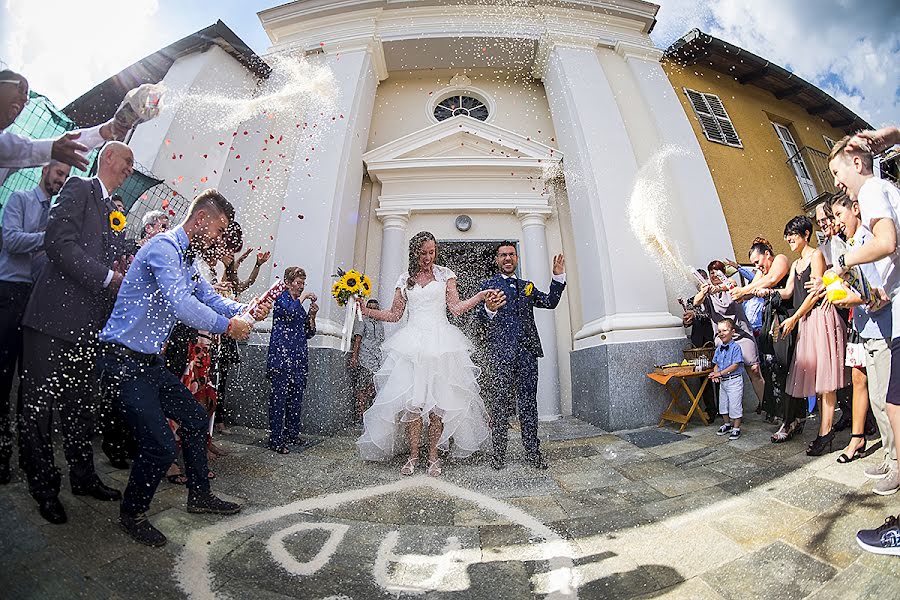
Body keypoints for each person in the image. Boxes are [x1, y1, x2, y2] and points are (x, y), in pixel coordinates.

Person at [98, 189, 271, 547]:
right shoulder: (163, 248)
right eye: (219, 228)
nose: (221, 237)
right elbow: (180, 304)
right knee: (161, 444)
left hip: (149, 363)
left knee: (193, 419)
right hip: (122, 361)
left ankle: (200, 495)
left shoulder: (187, 258)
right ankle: (133, 514)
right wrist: (228, 326)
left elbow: (207, 297)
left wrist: (242, 310)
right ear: (202, 219)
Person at [17, 142, 134, 525]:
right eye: (127, 161)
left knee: (80, 408)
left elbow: (109, 257)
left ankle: (83, 477)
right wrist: (107, 276)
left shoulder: (116, 210)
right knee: (38, 409)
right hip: (52, 320)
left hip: (87, 328)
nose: (130, 169)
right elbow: (58, 244)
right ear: (109, 159)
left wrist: (123, 263)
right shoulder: (79, 188)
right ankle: (44, 488)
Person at [356, 231, 496, 476]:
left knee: (437, 406)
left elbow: (456, 308)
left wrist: (480, 296)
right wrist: (365, 311)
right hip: (412, 346)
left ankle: (432, 456)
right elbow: (394, 315)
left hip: (441, 344)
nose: (428, 257)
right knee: (412, 405)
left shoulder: (446, 276)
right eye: (423, 253)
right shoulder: (405, 279)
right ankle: (412, 456)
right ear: (414, 253)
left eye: (432, 252)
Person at [830, 134, 900, 497]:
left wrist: (843, 262)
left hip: (888, 320)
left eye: (837, 172)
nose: (837, 184)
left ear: (857, 162)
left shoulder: (871, 190)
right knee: (884, 400)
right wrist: (878, 292)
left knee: (892, 402)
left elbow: (887, 242)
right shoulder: (885, 189)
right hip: (882, 312)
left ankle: (896, 467)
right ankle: (892, 462)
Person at [0, 160, 70, 484]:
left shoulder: (54, 214)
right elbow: (11, 241)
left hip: (34, 297)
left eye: (66, 177)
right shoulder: (21, 201)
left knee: (29, 383)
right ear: (46, 171)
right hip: (9, 292)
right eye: (59, 173)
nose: (61, 179)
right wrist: (47, 238)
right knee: (2, 378)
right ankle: (1, 457)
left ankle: (29, 457)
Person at [478, 242, 567, 470]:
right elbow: (479, 321)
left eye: (511, 254)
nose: (507, 258)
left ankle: (532, 453)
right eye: (503, 255)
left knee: (528, 404)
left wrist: (557, 279)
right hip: (500, 355)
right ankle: (498, 454)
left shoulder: (527, 286)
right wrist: (489, 309)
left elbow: (549, 302)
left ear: (516, 258)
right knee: (499, 405)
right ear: (496, 260)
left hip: (527, 353)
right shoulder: (487, 286)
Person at [763, 216, 846, 455]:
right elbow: (789, 291)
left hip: (819, 319)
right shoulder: (797, 263)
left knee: (827, 381)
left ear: (806, 234)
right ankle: (825, 429)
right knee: (819, 383)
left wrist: (794, 318)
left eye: (793, 234)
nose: (789, 238)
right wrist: (760, 291)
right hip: (807, 322)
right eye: (787, 235)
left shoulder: (816, 256)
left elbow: (815, 295)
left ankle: (825, 433)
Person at [829, 194, 893, 476]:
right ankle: (892, 458)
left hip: (883, 329)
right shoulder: (851, 245)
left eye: (839, 215)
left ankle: (895, 461)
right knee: (878, 401)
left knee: (885, 400)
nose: (837, 223)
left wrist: (850, 299)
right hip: (867, 330)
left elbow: (880, 292)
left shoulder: (869, 242)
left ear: (855, 210)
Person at [0, 70, 128, 183]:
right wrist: (52, 149)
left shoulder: (13, 155)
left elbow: (65, 147)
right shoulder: (11, 148)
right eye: (20, 88)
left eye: (27, 97)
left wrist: (106, 131)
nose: (24, 99)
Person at [732, 238, 792, 419]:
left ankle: (791, 413)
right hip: (770, 322)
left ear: (767, 254)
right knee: (771, 367)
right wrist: (737, 292)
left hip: (786, 318)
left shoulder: (780, 259)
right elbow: (749, 290)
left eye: (758, 262)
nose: (757, 267)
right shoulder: (761, 273)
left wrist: (744, 291)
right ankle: (778, 411)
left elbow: (773, 279)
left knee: (785, 367)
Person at [693, 261, 765, 409]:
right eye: (711, 272)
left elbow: (729, 284)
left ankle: (765, 405)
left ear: (723, 273)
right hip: (723, 338)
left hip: (742, 334)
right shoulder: (707, 292)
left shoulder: (730, 284)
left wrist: (716, 288)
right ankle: (730, 412)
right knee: (724, 373)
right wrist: (703, 291)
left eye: (717, 271)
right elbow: (696, 301)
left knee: (755, 370)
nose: (714, 274)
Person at [266, 266, 318, 453]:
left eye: (303, 283)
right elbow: (288, 312)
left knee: (296, 399)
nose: (302, 287)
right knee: (279, 400)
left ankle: (292, 434)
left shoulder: (298, 305)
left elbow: (309, 332)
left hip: (298, 359)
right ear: (288, 283)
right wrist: (302, 299)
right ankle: (276, 439)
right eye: (298, 283)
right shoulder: (281, 299)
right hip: (281, 358)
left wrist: (312, 315)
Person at [349, 298, 385, 420]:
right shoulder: (362, 320)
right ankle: (360, 415)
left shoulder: (380, 323)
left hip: (376, 359)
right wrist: (354, 356)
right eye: (371, 308)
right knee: (362, 387)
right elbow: (358, 339)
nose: (373, 311)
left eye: (376, 309)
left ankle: (368, 414)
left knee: (372, 387)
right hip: (365, 358)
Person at [710, 319, 744, 440]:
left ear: (732, 332)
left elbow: (735, 365)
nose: (722, 333)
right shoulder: (719, 349)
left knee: (735, 404)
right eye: (719, 331)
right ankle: (727, 424)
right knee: (723, 404)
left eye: (725, 330)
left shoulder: (736, 348)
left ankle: (736, 427)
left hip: (734, 380)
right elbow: (716, 364)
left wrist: (720, 373)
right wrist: (715, 373)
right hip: (723, 381)